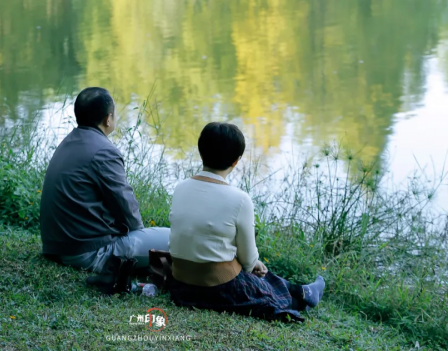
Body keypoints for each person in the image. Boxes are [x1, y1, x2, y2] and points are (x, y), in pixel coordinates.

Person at [168, 122, 325, 322]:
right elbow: (248, 259)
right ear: (236, 161)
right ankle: (303, 297)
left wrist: (251, 263)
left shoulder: (181, 188)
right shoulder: (239, 199)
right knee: (263, 289)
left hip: (180, 283)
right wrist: (253, 263)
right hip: (214, 286)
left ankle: (302, 291)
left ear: (201, 152)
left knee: (252, 273)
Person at [40, 86, 169, 284]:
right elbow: (126, 206)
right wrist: (141, 235)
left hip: (57, 248)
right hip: (87, 252)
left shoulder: (67, 143)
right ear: (108, 119)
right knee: (176, 239)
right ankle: (163, 280)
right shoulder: (104, 151)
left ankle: (158, 275)